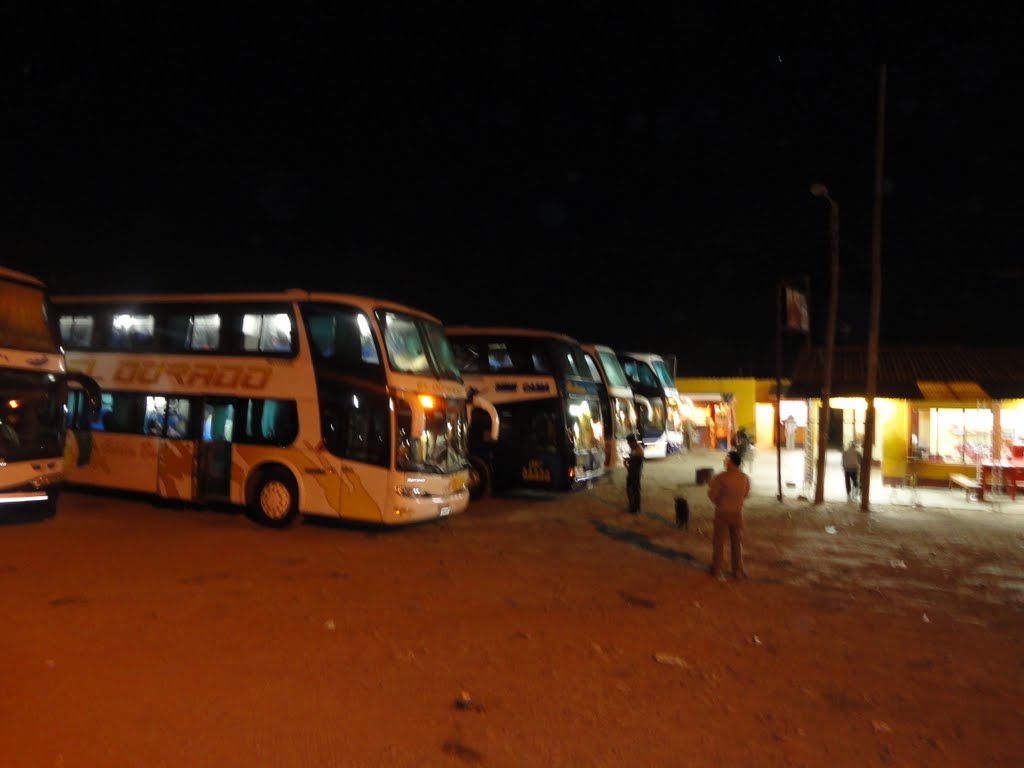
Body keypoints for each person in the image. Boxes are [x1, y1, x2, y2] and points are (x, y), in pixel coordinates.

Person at [707, 449, 750, 580]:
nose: (725, 461)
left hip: (722, 513)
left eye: (727, 459)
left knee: (719, 542)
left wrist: (719, 501)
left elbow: (712, 495)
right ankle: (738, 570)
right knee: (736, 543)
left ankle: (717, 569)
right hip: (737, 513)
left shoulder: (721, 477)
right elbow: (746, 494)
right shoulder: (744, 478)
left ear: (731, 462)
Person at [624, 433, 645, 515]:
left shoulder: (638, 451)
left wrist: (626, 464)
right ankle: (633, 506)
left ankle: (636, 508)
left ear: (633, 442)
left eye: (629, 443)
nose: (628, 444)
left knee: (635, 491)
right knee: (631, 490)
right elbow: (632, 459)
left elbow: (634, 465)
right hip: (632, 473)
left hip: (635, 474)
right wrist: (628, 459)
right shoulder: (635, 448)